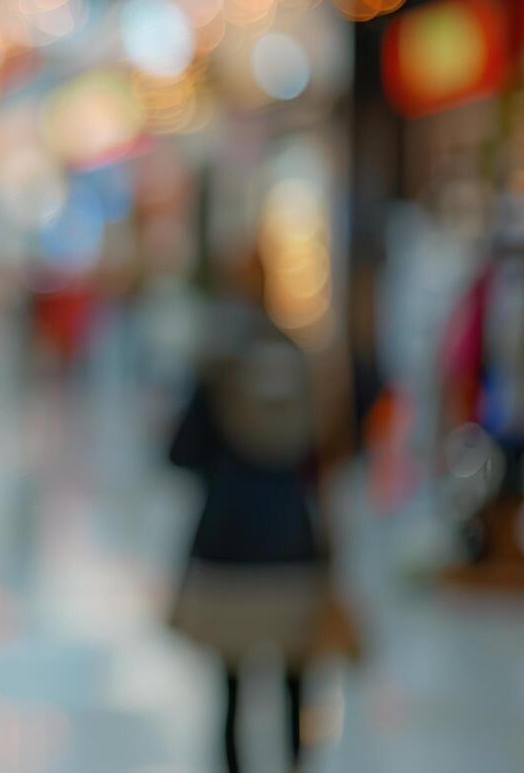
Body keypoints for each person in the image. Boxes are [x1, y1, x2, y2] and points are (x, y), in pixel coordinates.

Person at [166, 252, 333, 773]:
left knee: (232, 687)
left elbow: (179, 453)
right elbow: (323, 454)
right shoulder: (299, 359)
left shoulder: (216, 367)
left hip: (230, 539)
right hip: (292, 539)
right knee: (295, 678)